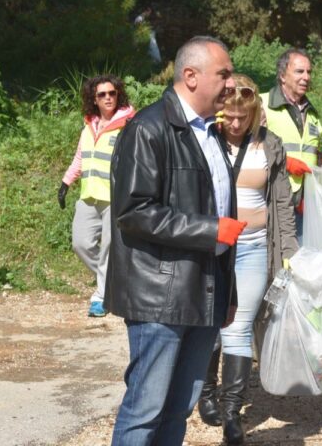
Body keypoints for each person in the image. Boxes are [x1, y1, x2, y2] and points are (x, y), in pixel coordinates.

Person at [105, 36, 247, 445]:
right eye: (222, 74)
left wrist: (228, 291)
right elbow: (133, 212)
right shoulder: (148, 129)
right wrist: (209, 231)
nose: (230, 83)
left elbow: (220, 206)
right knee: (146, 409)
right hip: (159, 297)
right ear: (190, 76)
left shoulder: (210, 133)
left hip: (203, 292)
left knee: (178, 409)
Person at [198, 74, 298, 445]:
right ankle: (205, 393)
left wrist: (289, 251)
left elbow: (283, 202)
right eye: (230, 116)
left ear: (255, 112)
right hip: (212, 249)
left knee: (238, 326)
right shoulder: (206, 141)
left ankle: (231, 412)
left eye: (243, 116)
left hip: (255, 246)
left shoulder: (270, 145)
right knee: (210, 326)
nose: (236, 124)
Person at [57, 75, 135, 318]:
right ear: (94, 99)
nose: (108, 98)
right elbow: (81, 157)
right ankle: (114, 281)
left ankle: (100, 297)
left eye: (112, 93)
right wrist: (66, 182)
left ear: (118, 94)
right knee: (80, 243)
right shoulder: (88, 125)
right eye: (102, 95)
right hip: (89, 195)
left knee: (109, 248)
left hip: (115, 197)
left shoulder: (128, 124)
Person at [261, 48, 322, 239]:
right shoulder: (262, 104)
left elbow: (313, 154)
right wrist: (285, 163)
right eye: (299, 71)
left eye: (309, 72)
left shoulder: (311, 113)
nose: (306, 77)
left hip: (305, 202)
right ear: (282, 76)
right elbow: (249, 148)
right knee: (277, 262)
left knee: (301, 261)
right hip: (273, 199)